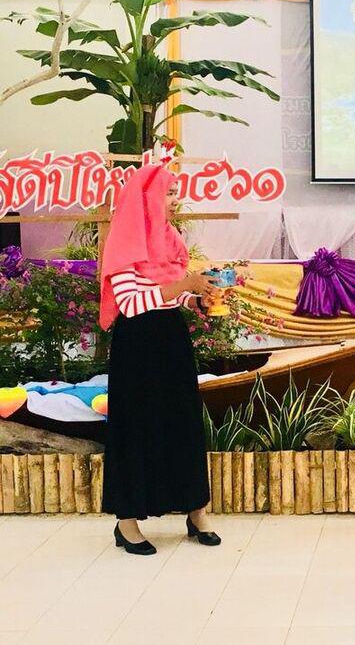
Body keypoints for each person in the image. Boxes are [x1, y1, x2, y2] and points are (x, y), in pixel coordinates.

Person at [99, 164, 222, 555]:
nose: (174, 200)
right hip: (137, 346)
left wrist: (196, 298)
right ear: (146, 198)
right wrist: (183, 285)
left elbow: (171, 293)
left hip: (171, 339)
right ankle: (127, 523)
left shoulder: (169, 238)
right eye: (168, 193)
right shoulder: (124, 240)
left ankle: (197, 512)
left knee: (184, 423)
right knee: (136, 427)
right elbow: (131, 304)